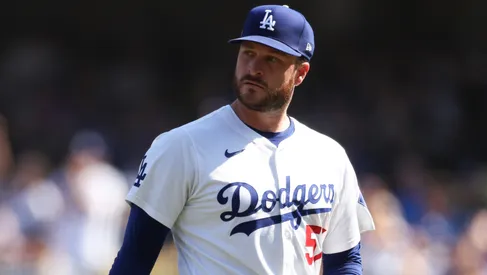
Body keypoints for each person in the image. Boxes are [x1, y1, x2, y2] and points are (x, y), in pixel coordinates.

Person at [109, 4, 375, 275]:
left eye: (272, 59)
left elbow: (344, 262)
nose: (254, 68)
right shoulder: (181, 147)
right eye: (248, 53)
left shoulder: (330, 157)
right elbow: (134, 260)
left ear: (300, 73)